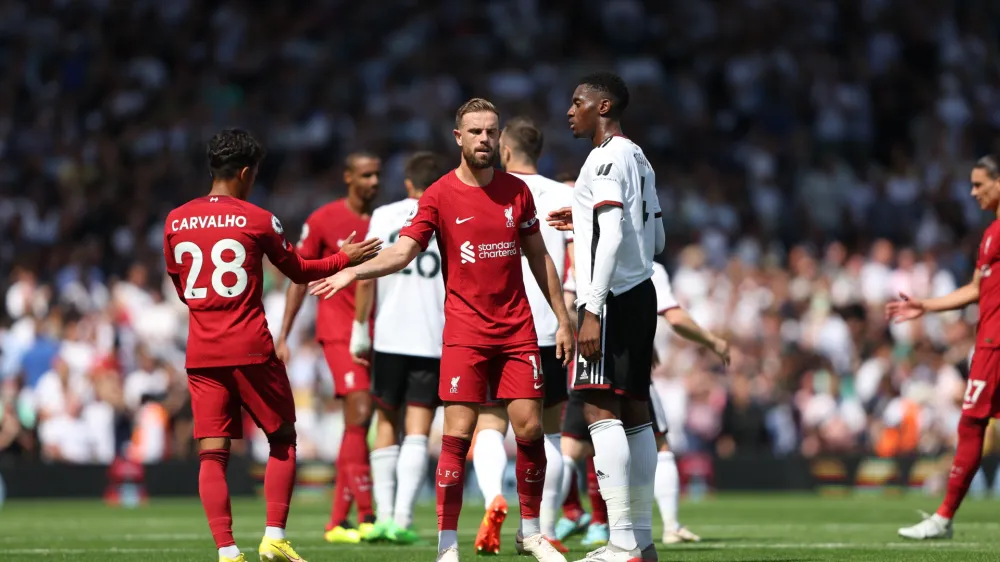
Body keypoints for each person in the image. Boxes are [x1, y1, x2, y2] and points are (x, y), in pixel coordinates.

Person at [309, 98, 574, 562]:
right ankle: (446, 543)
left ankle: (530, 531)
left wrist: (563, 318)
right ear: (458, 137)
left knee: (529, 428)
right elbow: (403, 251)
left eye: (491, 132)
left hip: (518, 329)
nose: (484, 140)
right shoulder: (439, 194)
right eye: (475, 132)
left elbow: (539, 257)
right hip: (465, 332)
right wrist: (356, 270)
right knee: (457, 431)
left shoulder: (518, 192)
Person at [162, 129, 382, 562]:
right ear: (245, 173)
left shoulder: (175, 220)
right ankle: (273, 537)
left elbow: (181, 286)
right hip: (250, 347)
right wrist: (346, 259)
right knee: (281, 438)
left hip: (201, 352)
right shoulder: (257, 218)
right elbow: (300, 270)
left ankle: (227, 550)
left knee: (212, 452)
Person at [548, 72, 664, 562]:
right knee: (635, 412)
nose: (569, 111)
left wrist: (591, 307)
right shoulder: (638, 157)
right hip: (640, 293)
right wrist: (580, 219)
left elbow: (613, 234)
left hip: (610, 298)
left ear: (603, 106)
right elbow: (656, 238)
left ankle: (620, 543)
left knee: (597, 409)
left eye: (577, 103)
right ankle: (641, 541)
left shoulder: (603, 158)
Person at [469, 117, 575, 554]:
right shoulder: (568, 195)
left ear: (506, 152)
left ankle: (494, 494)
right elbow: (581, 260)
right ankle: (543, 527)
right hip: (552, 326)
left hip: (500, 323)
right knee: (550, 431)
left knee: (491, 421)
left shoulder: (495, 191)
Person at [891, 155, 1000, 540]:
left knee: (971, 423)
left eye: (979, 184)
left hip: (996, 345)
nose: (972, 192)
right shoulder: (991, 233)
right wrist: (926, 305)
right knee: (972, 424)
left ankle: (943, 518)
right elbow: (975, 289)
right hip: (989, 339)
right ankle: (944, 518)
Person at [275, 152, 381, 543]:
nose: (373, 182)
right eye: (366, 175)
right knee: (360, 408)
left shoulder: (385, 220)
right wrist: (283, 334)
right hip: (338, 329)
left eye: (377, 175)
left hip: (377, 333)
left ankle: (338, 521)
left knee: (360, 422)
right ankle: (367, 514)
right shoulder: (323, 220)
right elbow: (298, 276)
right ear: (348, 177)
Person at [349, 151, 448, 544]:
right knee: (418, 430)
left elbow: (367, 276)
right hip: (432, 336)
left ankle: (384, 516)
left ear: (408, 183)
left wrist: (360, 327)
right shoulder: (446, 214)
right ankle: (403, 519)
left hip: (389, 334)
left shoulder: (384, 215)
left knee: (386, 421)